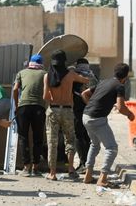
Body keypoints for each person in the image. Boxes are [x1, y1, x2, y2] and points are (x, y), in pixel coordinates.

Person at [81, 63, 134, 187]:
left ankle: (88, 176)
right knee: (112, 148)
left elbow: (84, 94)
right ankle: (103, 178)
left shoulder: (103, 82)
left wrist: (93, 106)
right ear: (125, 76)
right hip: (97, 119)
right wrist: (130, 115)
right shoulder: (120, 86)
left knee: (94, 145)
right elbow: (121, 107)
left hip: (86, 116)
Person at [43, 50, 89, 181]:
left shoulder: (47, 76)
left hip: (53, 110)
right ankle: (70, 169)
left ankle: (52, 173)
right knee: (70, 140)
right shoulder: (71, 74)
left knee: (52, 141)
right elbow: (86, 80)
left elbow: (45, 96)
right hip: (68, 110)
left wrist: (53, 97)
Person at [13, 54, 47, 177]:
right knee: (38, 138)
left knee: (23, 137)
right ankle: (36, 168)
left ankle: (26, 168)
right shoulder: (44, 73)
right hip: (39, 108)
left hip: (23, 107)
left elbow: (15, 89)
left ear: (30, 63)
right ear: (41, 63)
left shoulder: (21, 72)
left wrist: (17, 105)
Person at [72, 58, 98, 174]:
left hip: (78, 111)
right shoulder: (94, 77)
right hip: (91, 111)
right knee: (88, 137)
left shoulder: (75, 77)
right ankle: (88, 164)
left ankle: (83, 164)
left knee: (79, 136)